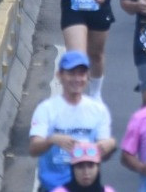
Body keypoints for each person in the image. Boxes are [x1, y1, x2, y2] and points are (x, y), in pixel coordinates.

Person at [29, 51, 117, 192]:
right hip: (51, 187)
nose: (77, 79)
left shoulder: (98, 110)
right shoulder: (46, 109)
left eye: (81, 73)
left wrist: (111, 145)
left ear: (88, 76)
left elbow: (103, 155)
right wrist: (52, 140)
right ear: (60, 75)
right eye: (71, 73)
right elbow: (33, 149)